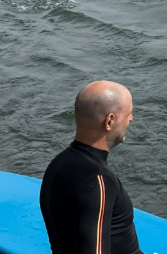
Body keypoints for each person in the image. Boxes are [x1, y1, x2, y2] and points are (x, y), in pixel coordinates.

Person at [41, 81, 143, 254]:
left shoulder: (58, 165)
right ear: (110, 120)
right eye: (128, 114)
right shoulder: (99, 181)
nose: (131, 119)